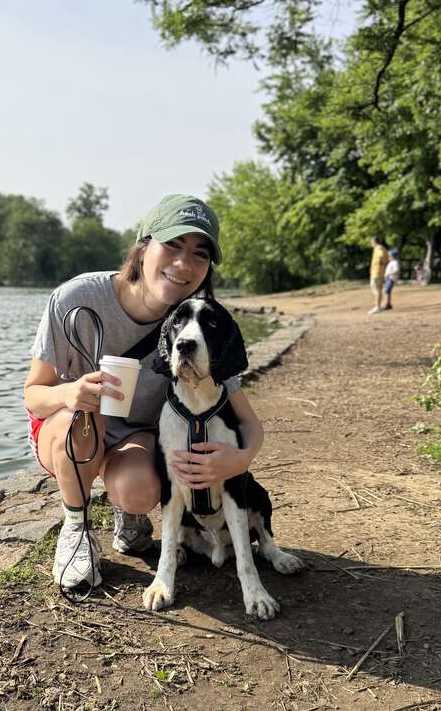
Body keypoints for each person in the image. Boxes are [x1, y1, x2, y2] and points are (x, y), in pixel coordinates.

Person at [23, 194, 266, 591]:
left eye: (199, 254)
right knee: (75, 419)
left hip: (135, 436)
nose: (184, 264)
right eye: (172, 245)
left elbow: (248, 423)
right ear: (143, 247)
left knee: (139, 491)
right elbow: (34, 393)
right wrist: (70, 394)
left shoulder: (193, 325)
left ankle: (128, 513)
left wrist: (239, 460)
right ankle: (76, 527)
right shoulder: (76, 299)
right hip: (70, 428)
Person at [368, 235, 389, 314]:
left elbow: (381, 255)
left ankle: (377, 306)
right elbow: (387, 257)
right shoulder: (382, 248)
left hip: (377, 272)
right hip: (380, 272)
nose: (371, 244)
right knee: (378, 289)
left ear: (374, 242)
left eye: (371, 243)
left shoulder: (378, 248)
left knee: (375, 288)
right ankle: (379, 305)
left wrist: (380, 262)